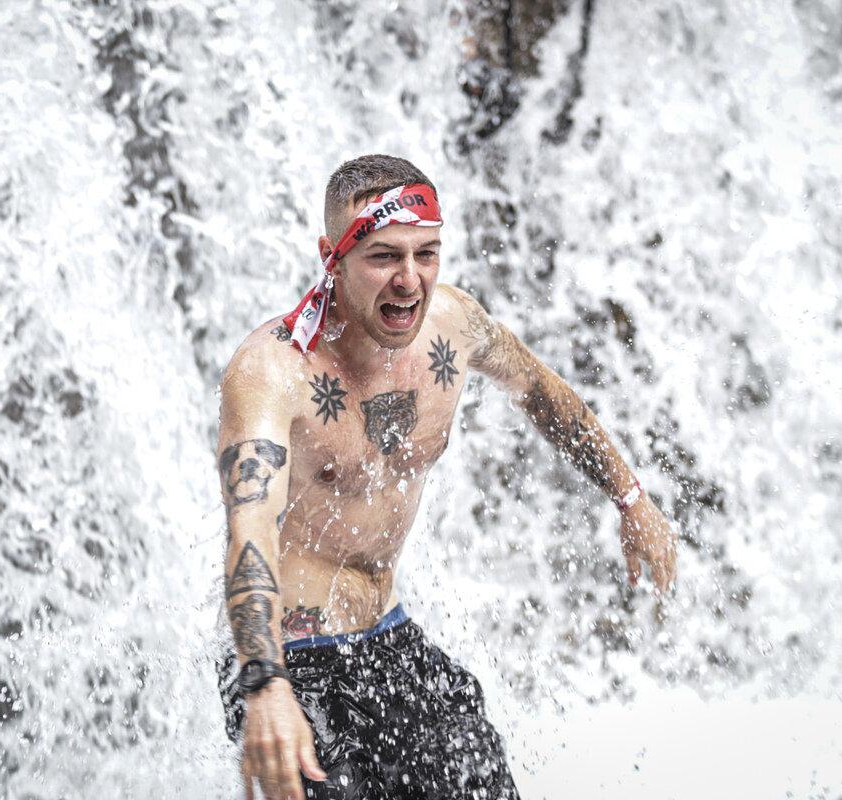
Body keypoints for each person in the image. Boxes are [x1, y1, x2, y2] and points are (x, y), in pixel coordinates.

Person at [215, 154, 678, 800]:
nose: (410, 280)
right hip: (293, 665)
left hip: (389, 639)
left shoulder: (452, 327)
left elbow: (539, 390)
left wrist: (631, 500)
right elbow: (251, 530)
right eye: (383, 257)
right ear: (332, 258)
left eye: (426, 254)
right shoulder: (273, 371)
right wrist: (264, 686)